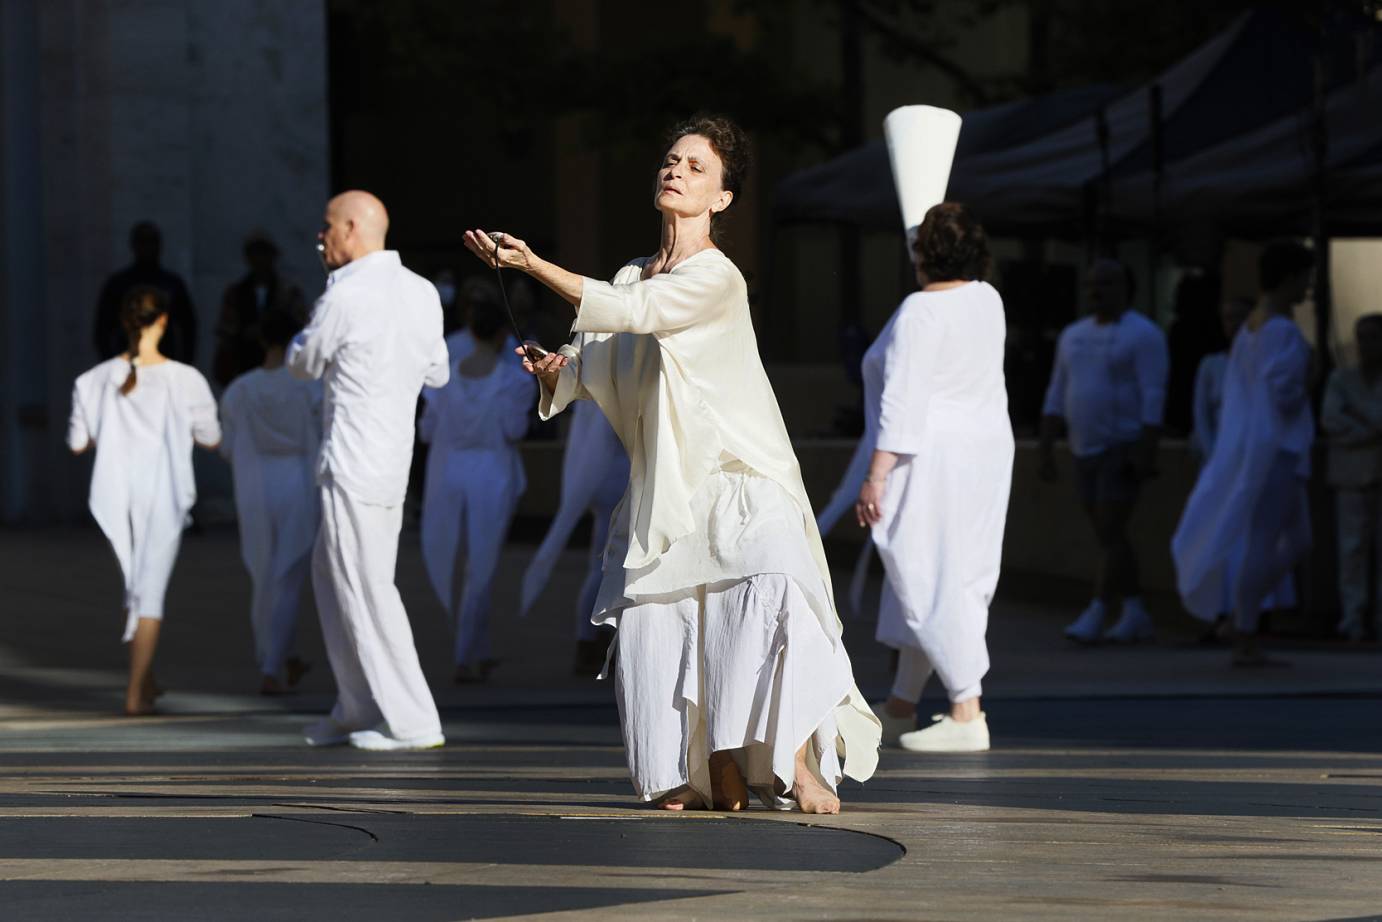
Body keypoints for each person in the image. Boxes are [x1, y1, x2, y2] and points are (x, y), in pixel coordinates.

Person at [463, 114, 879, 814]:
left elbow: (633, 312)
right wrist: (559, 371)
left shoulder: (717, 277)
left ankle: (798, 764)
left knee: (776, 600)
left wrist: (530, 263)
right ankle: (701, 767)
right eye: (671, 160)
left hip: (743, 479)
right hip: (668, 487)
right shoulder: (632, 274)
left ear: (720, 198)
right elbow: (607, 359)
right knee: (665, 629)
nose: (675, 171)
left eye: (694, 166)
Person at [287, 190, 449, 751]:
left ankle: (412, 719)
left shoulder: (347, 293)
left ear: (353, 228)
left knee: (363, 585)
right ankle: (356, 705)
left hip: (353, 459)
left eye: (328, 226)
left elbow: (303, 362)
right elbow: (438, 373)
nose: (321, 238)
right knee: (335, 581)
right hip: (389, 458)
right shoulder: (423, 292)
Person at [856, 204, 1014, 753]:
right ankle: (901, 706)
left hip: (933, 457)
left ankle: (966, 708)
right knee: (950, 570)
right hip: (986, 453)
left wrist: (875, 476)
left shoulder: (921, 310)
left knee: (929, 571)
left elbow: (902, 402)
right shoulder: (987, 299)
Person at [68, 286, 221, 715]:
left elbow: (78, 442)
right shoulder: (185, 379)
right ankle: (135, 692)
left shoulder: (93, 380)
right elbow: (211, 437)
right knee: (148, 588)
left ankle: (146, 679)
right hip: (162, 491)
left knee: (134, 585)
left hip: (115, 492)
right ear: (164, 321)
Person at [1172, 241, 1315, 666]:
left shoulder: (1254, 328)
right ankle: (1245, 629)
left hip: (1263, 449)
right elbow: (1285, 394)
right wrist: (1311, 373)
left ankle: (1242, 617)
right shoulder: (1281, 331)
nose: (1308, 287)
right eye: (1304, 278)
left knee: (1291, 539)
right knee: (1268, 540)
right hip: (1275, 450)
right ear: (1289, 278)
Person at [1040, 260, 1168, 644]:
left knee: (1111, 527)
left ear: (1127, 288)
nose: (1099, 291)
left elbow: (1153, 393)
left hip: (1122, 445)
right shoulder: (1073, 335)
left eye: (1108, 283)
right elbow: (1057, 390)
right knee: (1106, 531)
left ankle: (1097, 608)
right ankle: (1134, 608)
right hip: (1083, 448)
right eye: (1093, 284)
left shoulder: (1143, 334)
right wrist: (1047, 446)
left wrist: (1146, 448)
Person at [418, 298, 536, 683]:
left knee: (462, 560)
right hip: (491, 472)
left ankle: (476, 649)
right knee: (481, 564)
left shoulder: (445, 377)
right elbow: (514, 431)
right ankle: (467, 653)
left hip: (450, 470)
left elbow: (427, 431)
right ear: (502, 333)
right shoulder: (513, 381)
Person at [219, 309, 321, 695]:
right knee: (288, 575)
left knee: (263, 574)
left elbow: (228, 446)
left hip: (255, 483)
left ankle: (276, 656)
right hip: (296, 479)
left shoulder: (240, 389)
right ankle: (273, 662)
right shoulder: (309, 387)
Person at [519, 398, 630, 675]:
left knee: (602, 565)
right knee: (612, 568)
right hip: (618, 480)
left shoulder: (592, 377)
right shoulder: (615, 377)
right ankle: (595, 640)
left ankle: (591, 640)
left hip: (599, 480)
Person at [1322, 313, 1382, 642]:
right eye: (1362, 337)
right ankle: (1353, 616)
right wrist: (1371, 430)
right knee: (1351, 549)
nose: (1367, 345)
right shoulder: (1341, 380)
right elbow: (1331, 420)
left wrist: (1359, 419)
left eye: (1374, 337)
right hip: (1350, 474)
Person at [94, 222, 198, 365]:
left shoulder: (173, 284)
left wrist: (184, 362)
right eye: (143, 242)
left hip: (165, 356)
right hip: (125, 359)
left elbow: (188, 327)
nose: (147, 248)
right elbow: (102, 329)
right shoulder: (118, 284)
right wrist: (112, 362)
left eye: (151, 241)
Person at [212, 232, 308, 387]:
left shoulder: (288, 292)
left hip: (282, 365)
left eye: (264, 253)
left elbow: (301, 327)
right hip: (244, 364)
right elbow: (226, 332)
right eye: (255, 253)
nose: (260, 259)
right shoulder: (236, 293)